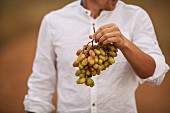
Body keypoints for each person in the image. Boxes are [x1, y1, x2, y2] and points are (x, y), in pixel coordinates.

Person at [23, 0, 169, 113]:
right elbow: (40, 86)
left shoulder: (136, 16)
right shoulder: (53, 21)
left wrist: (125, 44)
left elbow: (156, 77)